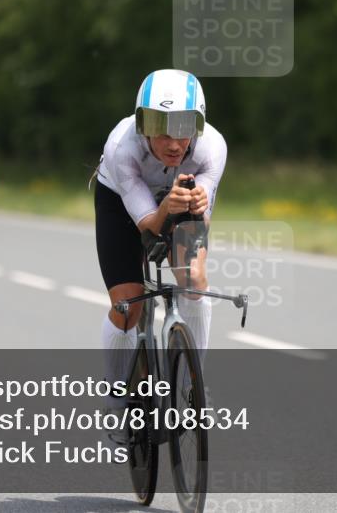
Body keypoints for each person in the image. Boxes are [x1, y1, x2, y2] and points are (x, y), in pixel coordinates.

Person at [93, 69, 227, 432]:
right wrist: (168, 206)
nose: (174, 143)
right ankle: (116, 396)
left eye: (185, 128)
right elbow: (149, 228)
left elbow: (202, 227)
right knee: (127, 306)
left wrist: (197, 205)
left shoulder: (212, 147)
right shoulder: (122, 147)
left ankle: (193, 386)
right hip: (123, 203)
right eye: (162, 128)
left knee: (194, 280)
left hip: (177, 199)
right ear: (142, 125)